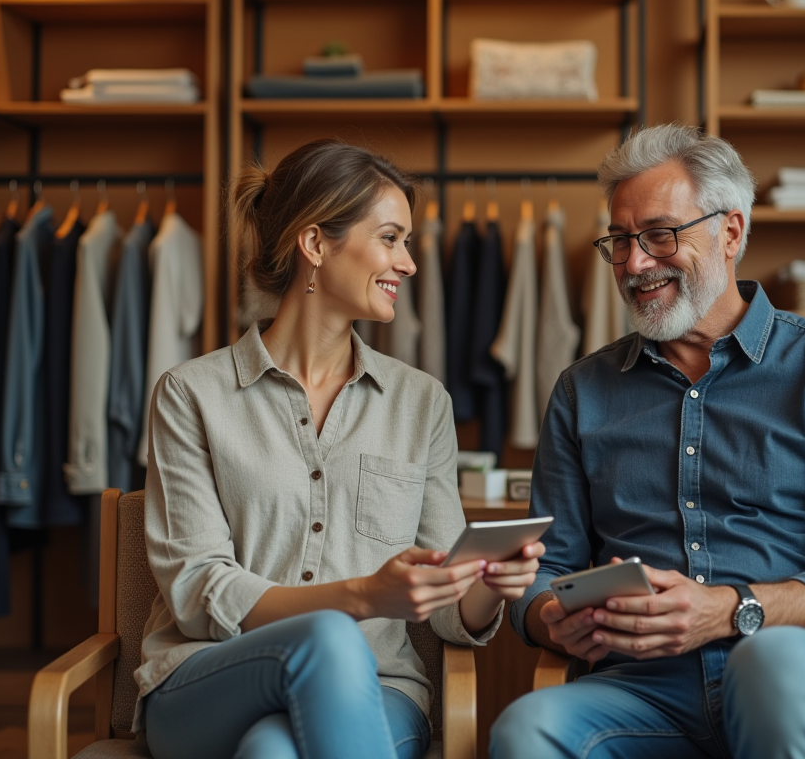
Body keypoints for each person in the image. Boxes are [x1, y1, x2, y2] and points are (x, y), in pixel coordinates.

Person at [490, 123, 805, 759]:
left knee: (769, 667)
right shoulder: (583, 390)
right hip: (645, 692)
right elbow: (545, 568)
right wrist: (549, 615)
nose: (635, 263)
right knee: (525, 731)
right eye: (619, 242)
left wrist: (731, 610)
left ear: (731, 231)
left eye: (660, 234)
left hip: (804, 673)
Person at [133, 139, 543, 759]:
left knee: (271, 754)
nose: (408, 263)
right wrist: (361, 598)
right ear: (315, 244)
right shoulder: (191, 395)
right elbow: (196, 591)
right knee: (327, 639)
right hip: (209, 677)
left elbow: (452, 613)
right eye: (390, 238)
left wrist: (489, 584)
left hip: (379, 690)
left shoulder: (422, 403)